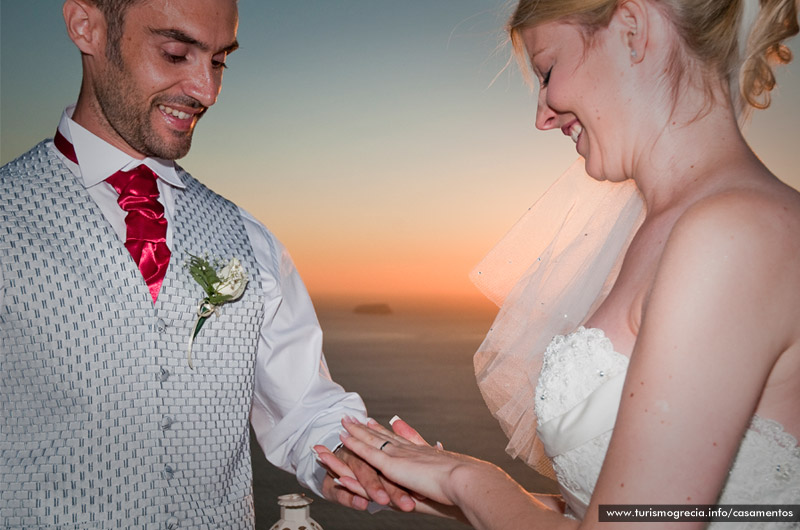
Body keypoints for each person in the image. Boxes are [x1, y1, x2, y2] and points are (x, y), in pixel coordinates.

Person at [317, 0, 800, 528]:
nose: (542, 115)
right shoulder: (664, 231)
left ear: (633, 28)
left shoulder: (731, 235)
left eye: (547, 71)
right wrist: (445, 482)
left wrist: (472, 481)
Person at [0, 0, 414, 527]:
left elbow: (303, 408)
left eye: (219, 61)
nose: (207, 91)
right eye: (176, 54)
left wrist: (352, 455)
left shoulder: (249, 236)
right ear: (87, 27)